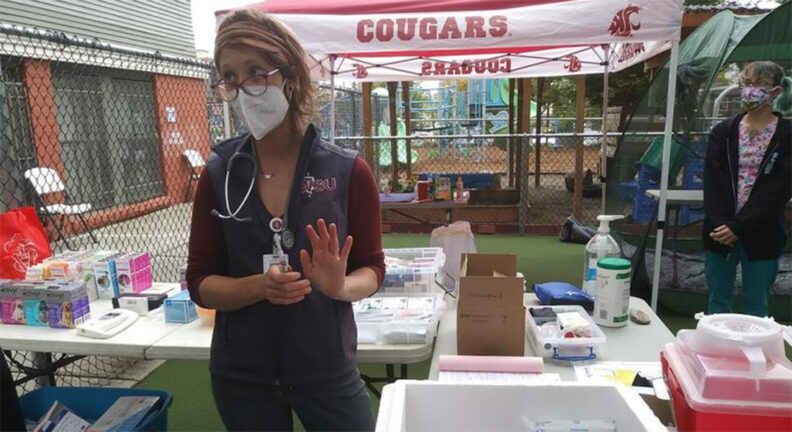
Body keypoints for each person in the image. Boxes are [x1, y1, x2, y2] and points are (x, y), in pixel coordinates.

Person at [186, 10, 384, 431]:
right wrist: (261, 287)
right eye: (230, 76)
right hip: (243, 374)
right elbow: (200, 282)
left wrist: (340, 286)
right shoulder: (220, 172)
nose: (243, 90)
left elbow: (373, 267)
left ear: (291, 75)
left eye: (256, 72)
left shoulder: (348, 171)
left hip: (326, 369)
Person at [703, 61, 792, 317]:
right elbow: (713, 181)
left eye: (761, 84)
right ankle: (717, 352)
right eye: (748, 83)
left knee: (756, 305)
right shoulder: (723, 131)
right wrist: (722, 223)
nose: (752, 90)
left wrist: (739, 226)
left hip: (762, 230)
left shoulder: (786, 135)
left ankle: (755, 354)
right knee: (718, 303)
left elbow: (779, 188)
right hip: (720, 231)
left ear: (775, 91)